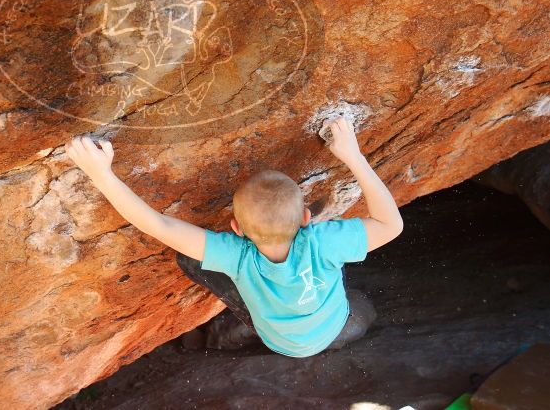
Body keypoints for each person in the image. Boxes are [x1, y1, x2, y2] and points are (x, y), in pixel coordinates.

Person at [64, 115, 403, 357]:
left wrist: (101, 174)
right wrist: (352, 156)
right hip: (331, 325)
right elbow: (391, 225)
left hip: (279, 341)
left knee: (188, 256)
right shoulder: (324, 242)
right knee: (350, 275)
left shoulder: (236, 256)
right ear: (305, 218)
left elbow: (158, 225)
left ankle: (227, 327)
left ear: (236, 229)